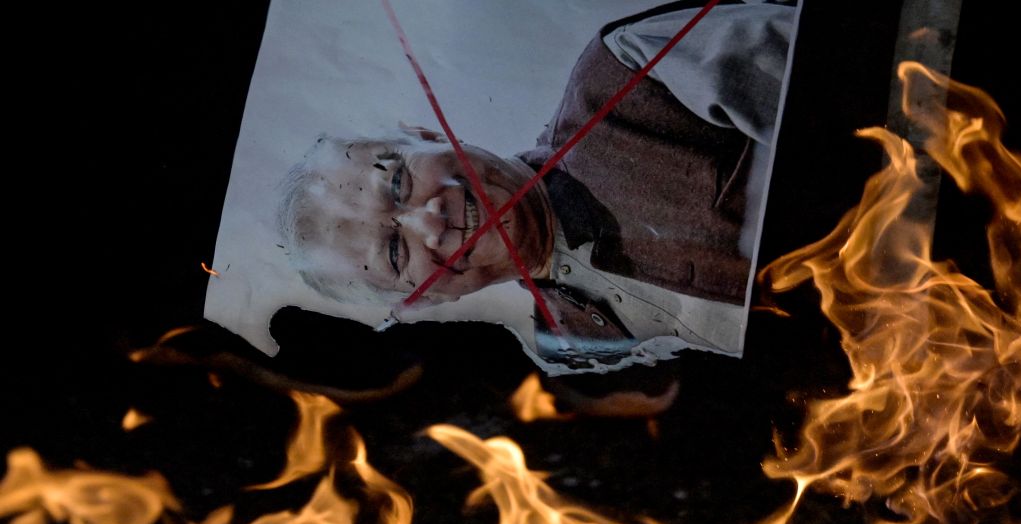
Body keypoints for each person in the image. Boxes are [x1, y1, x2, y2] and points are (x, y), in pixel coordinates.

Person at [278, 1, 797, 368]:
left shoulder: (630, 72)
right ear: (421, 303)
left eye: (397, 183)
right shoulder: (576, 366)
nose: (430, 220)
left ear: (426, 134)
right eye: (394, 252)